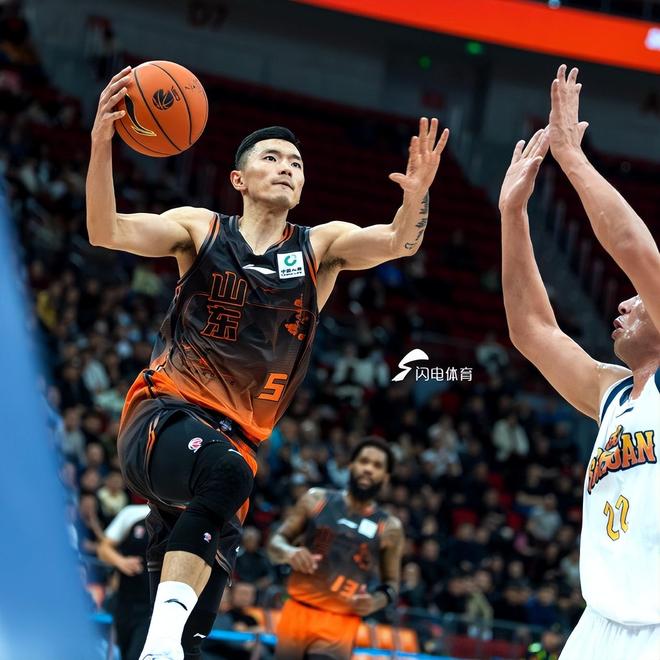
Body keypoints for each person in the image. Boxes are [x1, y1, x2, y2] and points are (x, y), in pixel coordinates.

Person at [86, 66, 448, 660]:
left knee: (190, 636)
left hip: (235, 450)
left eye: (296, 163)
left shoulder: (320, 247)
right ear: (239, 179)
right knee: (228, 475)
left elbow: (398, 242)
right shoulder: (201, 229)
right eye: (273, 158)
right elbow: (107, 230)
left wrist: (416, 196)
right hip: (162, 417)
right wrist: (102, 142)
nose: (287, 167)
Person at [499, 63, 659, 660]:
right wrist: (513, 216)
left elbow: (634, 249)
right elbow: (533, 330)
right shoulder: (612, 393)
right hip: (597, 624)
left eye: (638, 299)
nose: (623, 303)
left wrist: (570, 156)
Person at [267, 436, 404, 660]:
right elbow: (275, 543)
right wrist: (289, 553)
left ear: (386, 477)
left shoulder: (389, 527)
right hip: (297, 610)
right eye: (364, 461)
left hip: (340, 622)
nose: (368, 469)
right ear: (351, 465)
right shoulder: (316, 499)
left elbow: (392, 585)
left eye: (377, 465)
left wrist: (374, 602)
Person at [97, 503, 151, 660]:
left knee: (137, 655)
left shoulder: (180, 516)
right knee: (125, 653)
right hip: (125, 601)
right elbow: (103, 549)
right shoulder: (133, 513)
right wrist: (121, 562)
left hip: (154, 606)